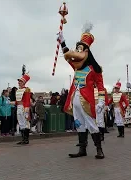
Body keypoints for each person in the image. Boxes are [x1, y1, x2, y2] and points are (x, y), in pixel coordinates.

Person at [57, 22, 105, 159]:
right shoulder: (77, 68)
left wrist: (101, 101)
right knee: (79, 125)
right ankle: (82, 149)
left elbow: (101, 86)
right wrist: (62, 42)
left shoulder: (94, 69)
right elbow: (68, 57)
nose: (77, 52)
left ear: (86, 52)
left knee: (91, 124)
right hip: (75, 101)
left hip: (87, 101)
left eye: (80, 49)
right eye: (77, 49)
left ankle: (99, 149)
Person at [14, 65, 31, 145]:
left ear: (23, 82)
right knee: (21, 123)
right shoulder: (18, 90)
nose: (19, 82)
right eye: (19, 81)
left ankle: (26, 139)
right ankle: (23, 138)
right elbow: (18, 100)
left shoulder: (27, 89)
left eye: (20, 81)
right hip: (19, 107)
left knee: (25, 122)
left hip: (24, 108)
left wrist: (27, 108)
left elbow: (27, 100)